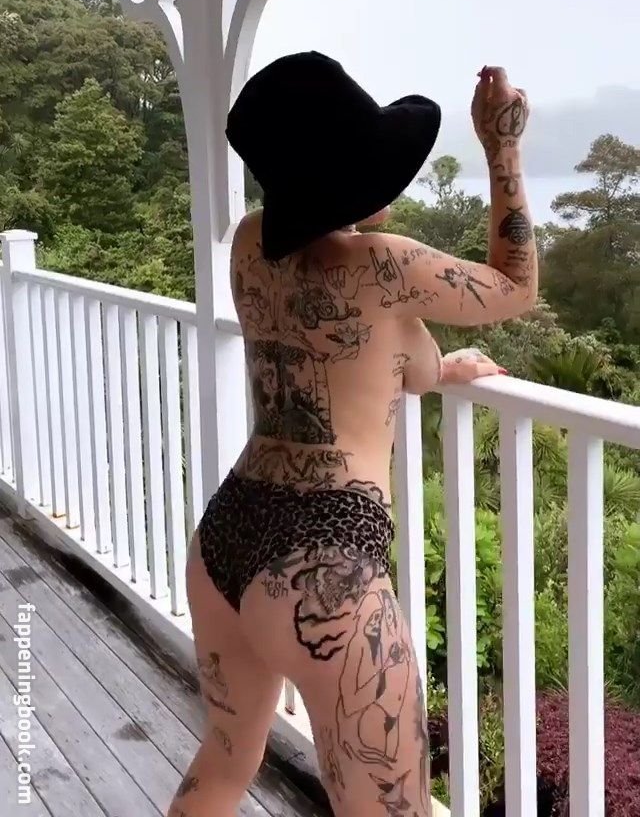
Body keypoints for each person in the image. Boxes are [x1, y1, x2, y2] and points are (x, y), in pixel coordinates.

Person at [168, 53, 537, 817]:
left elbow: (391, 359)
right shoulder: (387, 267)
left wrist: (439, 366)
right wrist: (502, 147)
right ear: (347, 183)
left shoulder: (249, 244)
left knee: (228, 754)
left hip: (228, 535)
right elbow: (515, 286)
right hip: (328, 556)